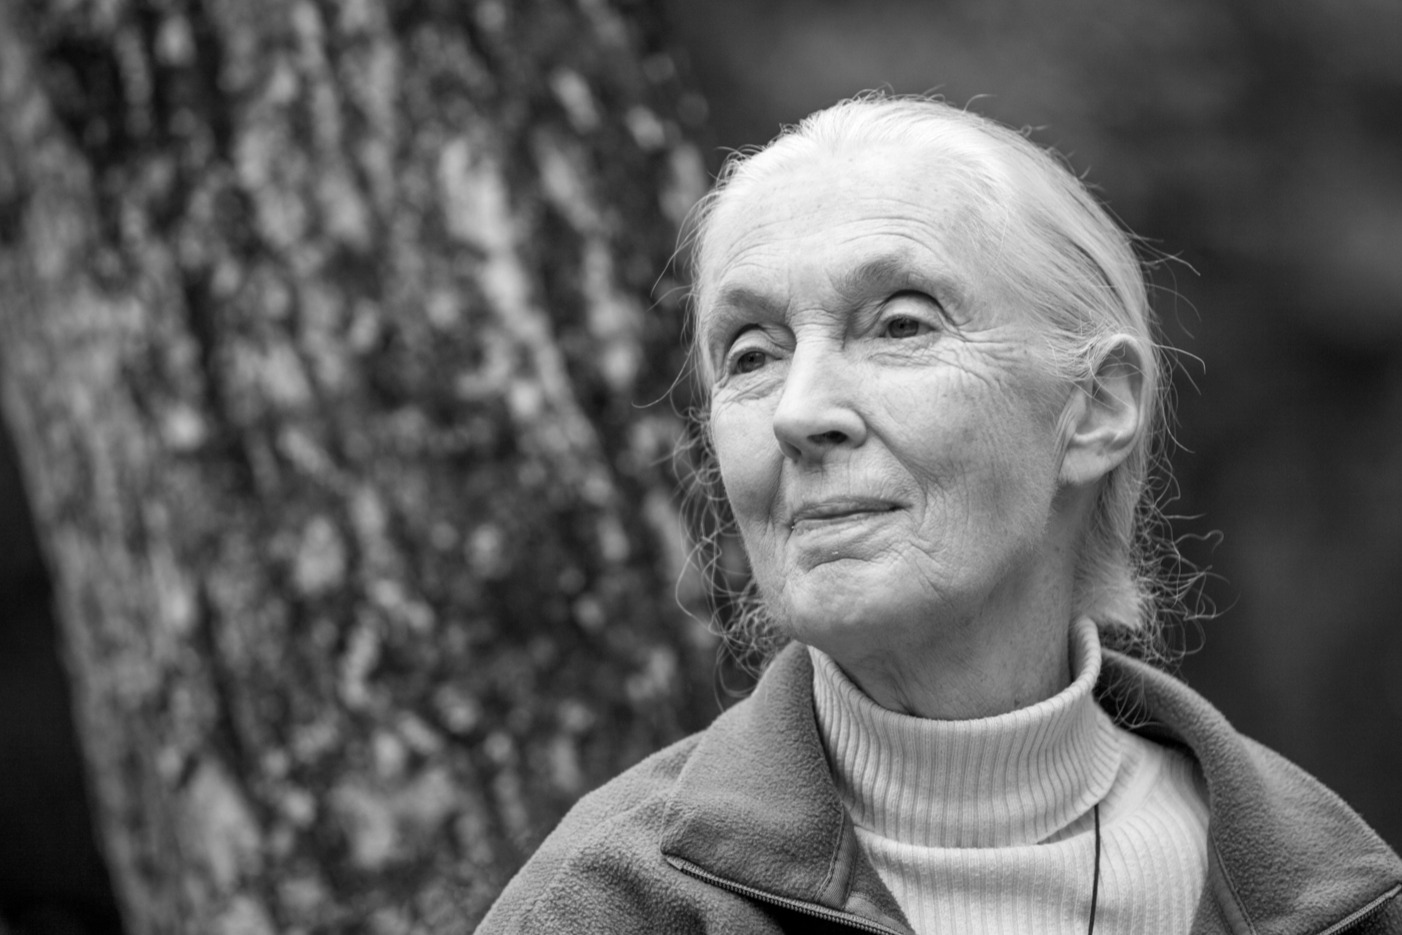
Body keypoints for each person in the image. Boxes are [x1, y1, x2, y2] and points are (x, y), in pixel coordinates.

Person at [477, 95, 1402, 934]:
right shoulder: (612, 904)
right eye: (752, 354)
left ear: (1095, 409)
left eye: (901, 325)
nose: (800, 411)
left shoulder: (1332, 896)